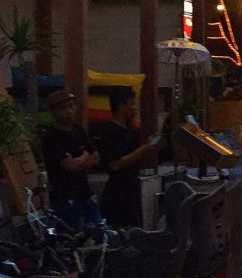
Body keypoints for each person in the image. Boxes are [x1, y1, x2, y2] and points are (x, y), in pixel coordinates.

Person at [96, 91, 160, 227]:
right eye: (132, 104)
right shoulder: (110, 132)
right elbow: (115, 164)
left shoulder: (129, 130)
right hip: (118, 194)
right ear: (121, 106)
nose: (135, 108)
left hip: (131, 188)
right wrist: (142, 150)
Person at [41, 89, 102, 230]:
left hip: (85, 192)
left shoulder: (78, 130)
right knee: (75, 234)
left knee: (100, 230)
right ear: (53, 112)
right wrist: (84, 156)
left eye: (71, 106)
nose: (69, 111)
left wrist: (79, 161)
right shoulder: (51, 137)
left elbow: (96, 157)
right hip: (64, 196)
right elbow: (68, 166)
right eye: (63, 108)